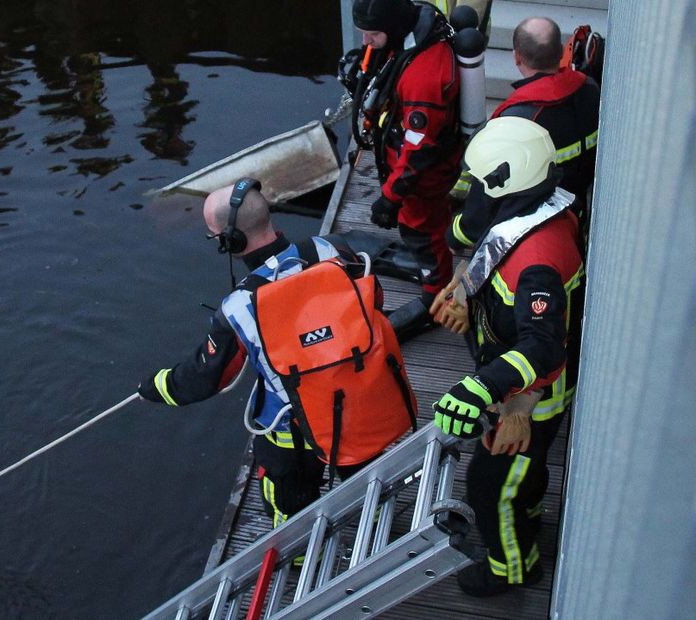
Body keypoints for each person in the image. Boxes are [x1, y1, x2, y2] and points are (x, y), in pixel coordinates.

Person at [138, 180, 415, 529]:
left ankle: (297, 551)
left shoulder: (239, 308)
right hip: (357, 403)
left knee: (287, 492)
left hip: (294, 429)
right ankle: (377, 519)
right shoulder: (333, 249)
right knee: (362, 470)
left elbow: (206, 378)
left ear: (230, 241)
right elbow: (371, 306)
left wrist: (155, 386)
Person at [428, 117, 584, 596]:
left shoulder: (538, 261)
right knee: (521, 476)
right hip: (514, 381)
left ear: (503, 183)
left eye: (477, 184)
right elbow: (491, 251)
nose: (471, 194)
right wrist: (464, 291)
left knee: (491, 487)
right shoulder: (539, 208)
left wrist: (487, 390)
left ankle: (512, 569)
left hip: (531, 398)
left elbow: (540, 345)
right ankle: (528, 506)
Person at [348, 0, 466, 339]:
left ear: (393, 29)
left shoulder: (424, 78)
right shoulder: (412, 32)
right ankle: (436, 249)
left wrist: (390, 198)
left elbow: (418, 149)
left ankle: (436, 292)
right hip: (418, 156)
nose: (367, 42)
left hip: (425, 175)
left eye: (372, 35)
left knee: (419, 229)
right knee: (428, 221)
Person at [448, 16, 601, 249]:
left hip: (527, 232)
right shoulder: (590, 90)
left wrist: (457, 234)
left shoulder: (517, 123)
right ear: (561, 51)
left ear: (516, 57)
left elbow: (485, 200)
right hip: (576, 219)